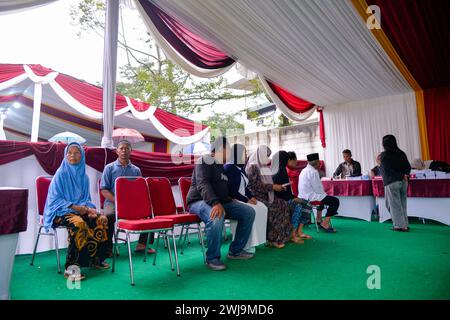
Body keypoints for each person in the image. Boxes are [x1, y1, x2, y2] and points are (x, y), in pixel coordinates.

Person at [186, 136, 256, 271]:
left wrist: (229, 199)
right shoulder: (205, 161)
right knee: (216, 216)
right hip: (198, 201)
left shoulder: (220, 166)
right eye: (228, 149)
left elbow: (222, 187)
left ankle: (235, 251)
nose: (230, 153)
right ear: (221, 149)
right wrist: (215, 203)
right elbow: (203, 184)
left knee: (248, 212)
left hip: (220, 202)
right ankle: (212, 258)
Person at [43, 142, 109, 280]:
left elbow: (85, 198)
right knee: (78, 224)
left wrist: (90, 209)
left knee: (101, 219)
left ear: (82, 155)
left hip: (78, 210)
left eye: (76, 152)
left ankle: (94, 259)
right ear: (65, 155)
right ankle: (71, 268)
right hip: (59, 211)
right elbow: (54, 200)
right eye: (69, 153)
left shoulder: (84, 177)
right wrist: (76, 207)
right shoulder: (60, 174)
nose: (72, 155)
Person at [100, 140, 155, 255]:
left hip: (131, 204)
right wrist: (118, 202)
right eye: (121, 148)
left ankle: (142, 245)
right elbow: (104, 190)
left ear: (131, 151)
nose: (124, 150)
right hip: (113, 202)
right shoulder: (109, 168)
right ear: (117, 151)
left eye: (127, 148)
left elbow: (139, 190)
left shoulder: (136, 170)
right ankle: (108, 248)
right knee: (108, 216)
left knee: (148, 214)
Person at [224, 144, 268, 253]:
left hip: (242, 198)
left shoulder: (240, 168)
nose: (246, 155)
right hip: (234, 199)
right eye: (244, 153)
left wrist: (251, 197)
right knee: (252, 210)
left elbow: (245, 186)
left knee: (262, 207)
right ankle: (246, 244)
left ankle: (256, 241)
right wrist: (246, 200)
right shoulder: (229, 168)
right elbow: (232, 191)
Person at [246, 145, 292, 248]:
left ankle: (283, 236)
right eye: (266, 155)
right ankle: (272, 239)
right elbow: (255, 185)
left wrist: (275, 187)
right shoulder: (253, 167)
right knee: (273, 208)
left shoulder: (264, 167)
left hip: (267, 194)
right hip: (256, 196)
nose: (268, 158)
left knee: (284, 205)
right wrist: (273, 187)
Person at [272, 151, 313, 243]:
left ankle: (299, 231)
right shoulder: (278, 172)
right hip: (280, 200)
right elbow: (277, 191)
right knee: (297, 206)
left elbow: (286, 189)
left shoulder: (282, 170)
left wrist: (293, 197)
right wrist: (292, 198)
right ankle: (292, 234)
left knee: (307, 204)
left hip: (287, 197)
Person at [298, 153, 339, 232]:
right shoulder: (313, 172)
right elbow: (318, 189)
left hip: (302, 196)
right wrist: (325, 194)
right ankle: (325, 223)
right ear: (317, 162)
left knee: (324, 197)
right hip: (310, 197)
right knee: (335, 201)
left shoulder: (304, 170)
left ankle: (319, 219)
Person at [380, 135, 411, 232]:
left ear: (384, 144)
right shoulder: (401, 153)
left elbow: (388, 170)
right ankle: (404, 223)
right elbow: (408, 167)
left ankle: (399, 225)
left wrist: (400, 176)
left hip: (392, 182)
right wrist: (404, 175)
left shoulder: (384, 155)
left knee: (393, 204)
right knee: (402, 203)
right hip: (404, 182)